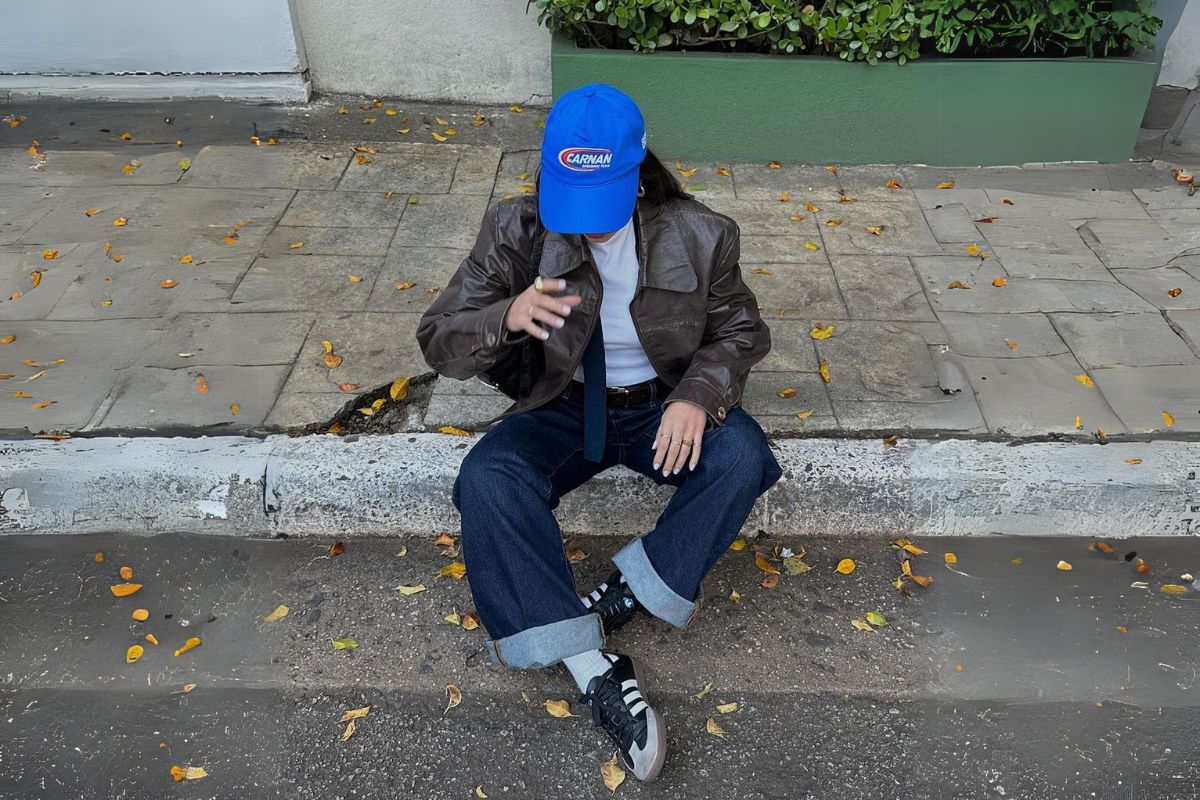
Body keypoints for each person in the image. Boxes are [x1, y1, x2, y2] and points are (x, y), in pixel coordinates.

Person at [416, 83, 782, 782]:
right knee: (487, 480)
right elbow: (437, 339)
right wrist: (506, 317)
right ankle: (593, 663)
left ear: (639, 171)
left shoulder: (703, 235)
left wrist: (699, 397)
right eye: (572, 202)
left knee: (742, 454)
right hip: (563, 404)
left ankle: (631, 591)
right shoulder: (514, 230)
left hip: (658, 409)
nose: (586, 228)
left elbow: (741, 331)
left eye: (602, 207)